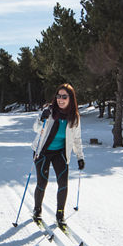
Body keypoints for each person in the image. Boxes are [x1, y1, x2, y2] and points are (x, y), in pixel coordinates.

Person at [30, 83, 85, 230]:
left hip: (60, 152)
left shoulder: (74, 118)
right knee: (42, 182)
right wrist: (42, 118)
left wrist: (80, 156)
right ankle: (37, 210)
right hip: (42, 151)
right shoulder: (49, 111)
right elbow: (36, 129)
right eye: (58, 96)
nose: (60, 99)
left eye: (64, 96)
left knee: (63, 183)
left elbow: (76, 139)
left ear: (70, 98)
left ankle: (60, 214)